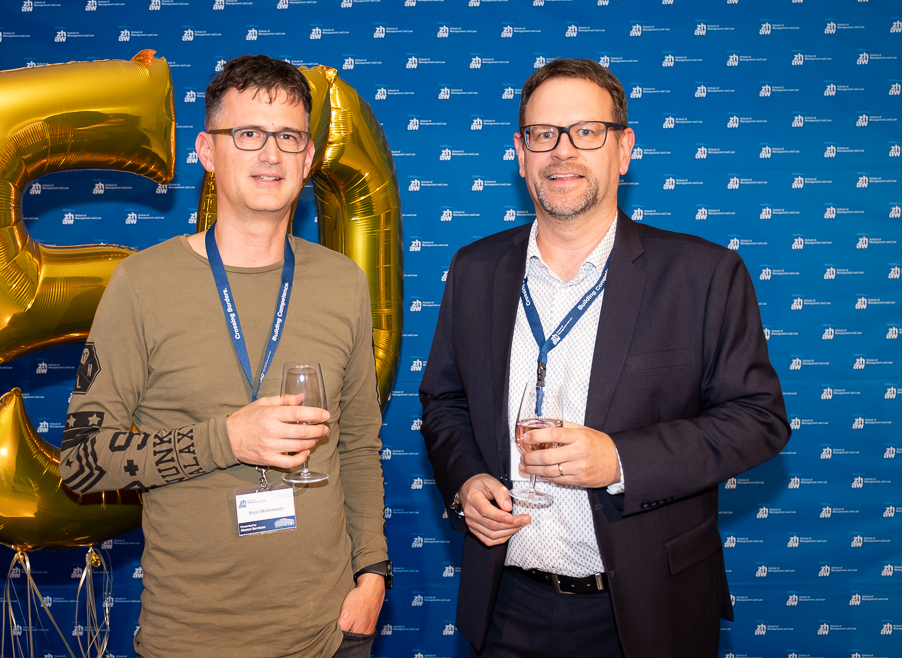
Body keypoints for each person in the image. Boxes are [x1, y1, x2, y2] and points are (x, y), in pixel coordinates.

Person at [419, 58, 790, 658]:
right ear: (520, 152)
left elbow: (758, 420)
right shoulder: (474, 269)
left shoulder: (703, 274)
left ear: (624, 148)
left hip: (647, 614)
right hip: (507, 607)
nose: (562, 150)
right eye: (544, 133)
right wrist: (465, 481)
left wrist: (619, 459)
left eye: (587, 131)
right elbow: (445, 401)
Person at [60, 54, 390, 658]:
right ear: (207, 152)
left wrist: (372, 575)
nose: (271, 155)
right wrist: (227, 440)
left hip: (330, 635)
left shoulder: (343, 281)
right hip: (193, 639)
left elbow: (359, 447)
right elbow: (83, 462)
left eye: (289, 137)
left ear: (309, 159)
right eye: (248, 134)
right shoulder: (142, 284)